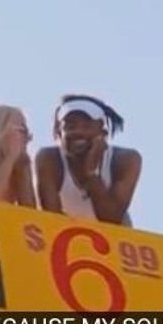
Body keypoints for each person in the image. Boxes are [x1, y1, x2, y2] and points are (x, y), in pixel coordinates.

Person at [35, 94, 142, 226]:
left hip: (112, 236)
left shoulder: (125, 159)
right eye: (70, 126)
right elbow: (51, 220)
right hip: (64, 233)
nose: (78, 132)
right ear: (58, 133)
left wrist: (91, 173)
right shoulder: (48, 159)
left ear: (103, 133)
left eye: (87, 126)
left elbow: (112, 218)